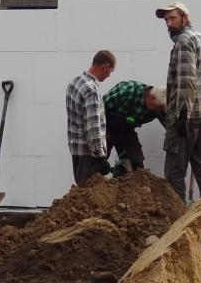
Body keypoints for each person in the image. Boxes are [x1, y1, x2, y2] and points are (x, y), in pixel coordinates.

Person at [156, 2, 201, 203]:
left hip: (188, 117)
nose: (168, 23)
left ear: (185, 17)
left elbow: (186, 81)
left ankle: (176, 224)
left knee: (174, 173)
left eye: (172, 18)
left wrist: (181, 117)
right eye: (166, 20)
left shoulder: (184, 41)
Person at [65, 50, 116, 185]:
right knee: (91, 200)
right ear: (105, 67)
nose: (109, 75)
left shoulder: (74, 83)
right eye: (111, 71)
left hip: (76, 150)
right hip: (90, 156)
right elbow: (93, 128)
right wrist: (100, 157)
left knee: (82, 196)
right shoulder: (91, 90)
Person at [103, 81, 166, 172]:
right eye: (157, 108)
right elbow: (101, 106)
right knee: (98, 162)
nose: (158, 111)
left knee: (137, 166)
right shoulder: (129, 90)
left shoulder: (159, 106)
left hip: (127, 131)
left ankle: (125, 180)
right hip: (107, 127)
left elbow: (170, 127)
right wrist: (102, 132)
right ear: (152, 97)